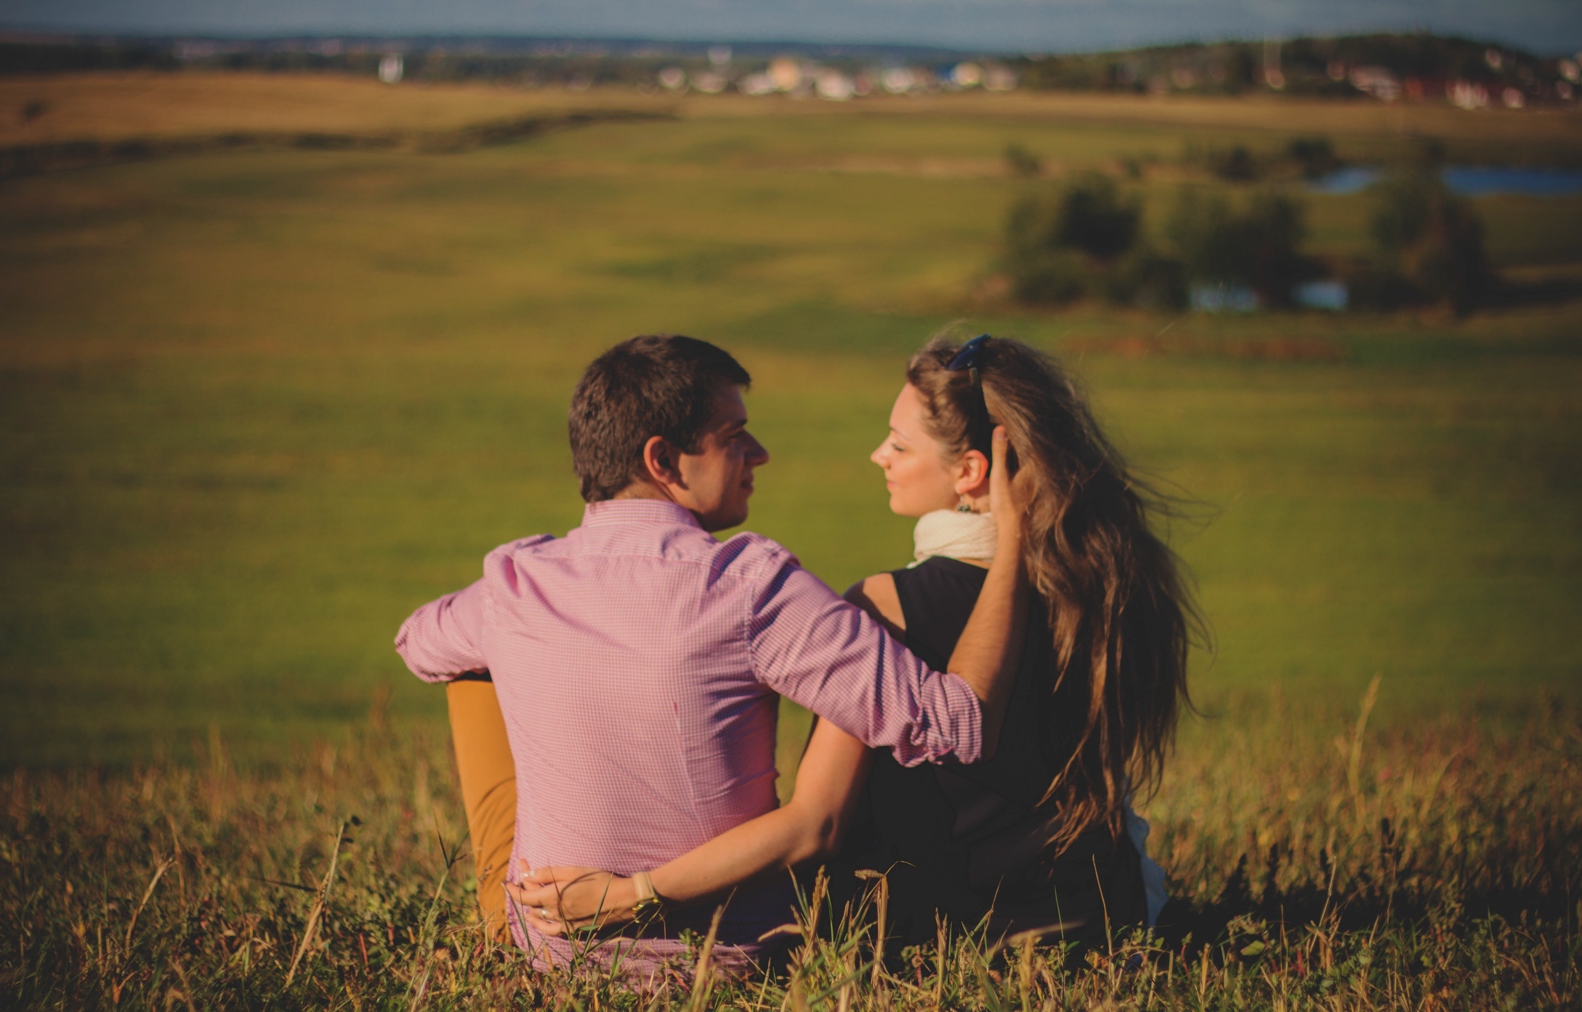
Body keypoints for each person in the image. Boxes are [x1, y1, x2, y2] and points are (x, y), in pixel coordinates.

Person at [515, 334, 1194, 952]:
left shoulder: (885, 606)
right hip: (1110, 921)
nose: (879, 456)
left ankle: (506, 907)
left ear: (971, 473)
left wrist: (631, 892)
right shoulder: (1099, 584)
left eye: (899, 445)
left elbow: (818, 825)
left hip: (943, 940)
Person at [395, 334, 1030, 983]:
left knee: (473, 668)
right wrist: (1011, 542)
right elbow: (957, 725)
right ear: (664, 460)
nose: (760, 454)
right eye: (735, 437)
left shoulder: (513, 581)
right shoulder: (749, 586)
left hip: (549, 944)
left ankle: (502, 897)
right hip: (723, 963)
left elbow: (417, 642)